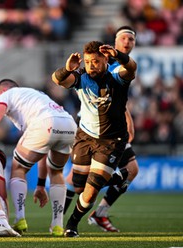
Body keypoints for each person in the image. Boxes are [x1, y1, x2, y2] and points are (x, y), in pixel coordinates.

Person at [51, 40, 137, 237]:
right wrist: (67, 68)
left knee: (90, 191)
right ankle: (114, 177)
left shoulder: (117, 78)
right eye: (88, 62)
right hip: (85, 136)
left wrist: (118, 55)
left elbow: (132, 67)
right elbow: (57, 80)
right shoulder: (81, 77)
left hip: (111, 141)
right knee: (80, 186)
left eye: (95, 62)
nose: (91, 66)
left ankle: (72, 224)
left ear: (105, 60)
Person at [0, 79, 77, 236]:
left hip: (45, 124)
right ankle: (57, 225)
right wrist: (40, 184)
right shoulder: (35, 97)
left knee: (18, 168)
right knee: (57, 172)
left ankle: (20, 219)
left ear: (3, 91)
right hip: (68, 124)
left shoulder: (7, 95)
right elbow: (44, 150)